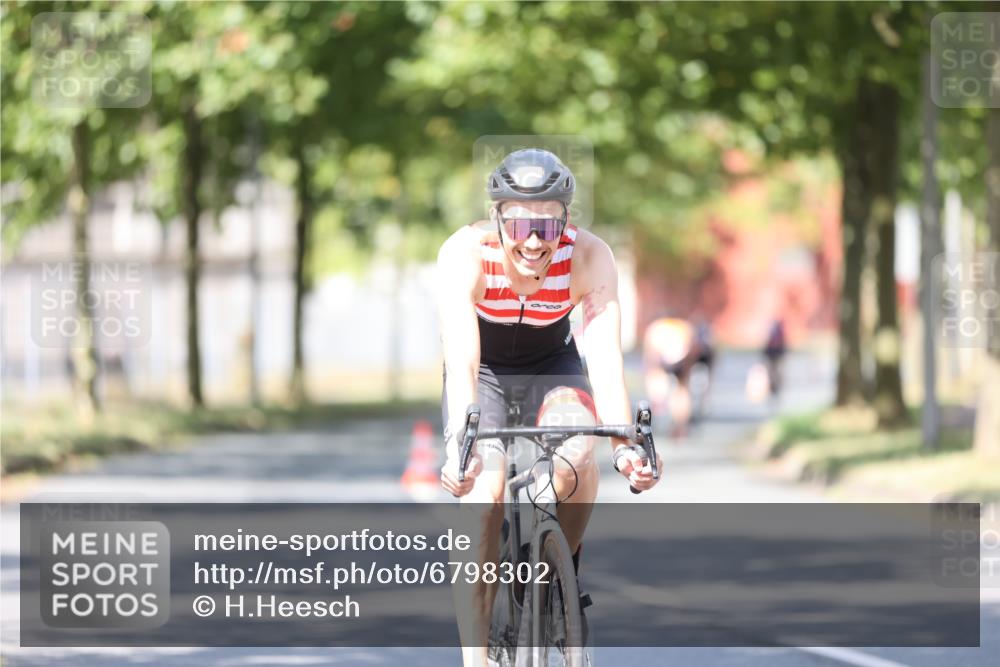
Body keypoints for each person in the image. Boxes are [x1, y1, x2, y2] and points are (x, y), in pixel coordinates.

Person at [436, 148, 662, 666]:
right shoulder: (464, 253)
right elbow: (463, 360)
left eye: (547, 225)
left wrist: (626, 446)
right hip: (486, 371)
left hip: (552, 365)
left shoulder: (589, 255)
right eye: (519, 225)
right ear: (496, 218)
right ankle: (476, 657)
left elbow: (603, 355)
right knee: (484, 499)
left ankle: (555, 570)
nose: (534, 241)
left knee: (577, 454)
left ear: (566, 220)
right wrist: (459, 448)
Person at [642, 315, 699, 437]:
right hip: (681, 358)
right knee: (682, 389)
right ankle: (680, 425)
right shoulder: (684, 326)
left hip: (663, 357)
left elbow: (650, 353)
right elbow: (692, 349)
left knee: (657, 379)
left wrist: (651, 370)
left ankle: (659, 408)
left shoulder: (657, 327)